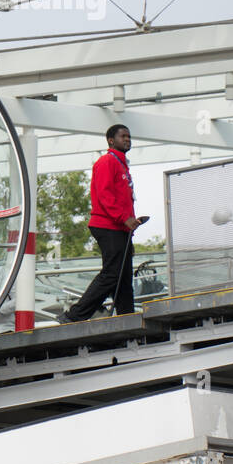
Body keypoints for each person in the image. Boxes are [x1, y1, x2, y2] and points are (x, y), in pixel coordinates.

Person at [62, 124, 147, 322]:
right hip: (108, 226)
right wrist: (124, 219)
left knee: (124, 278)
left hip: (120, 228)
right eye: (123, 136)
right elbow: (105, 196)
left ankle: (127, 318)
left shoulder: (121, 164)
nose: (127, 139)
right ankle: (75, 315)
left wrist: (130, 223)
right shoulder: (106, 162)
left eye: (129, 136)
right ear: (111, 140)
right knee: (112, 274)